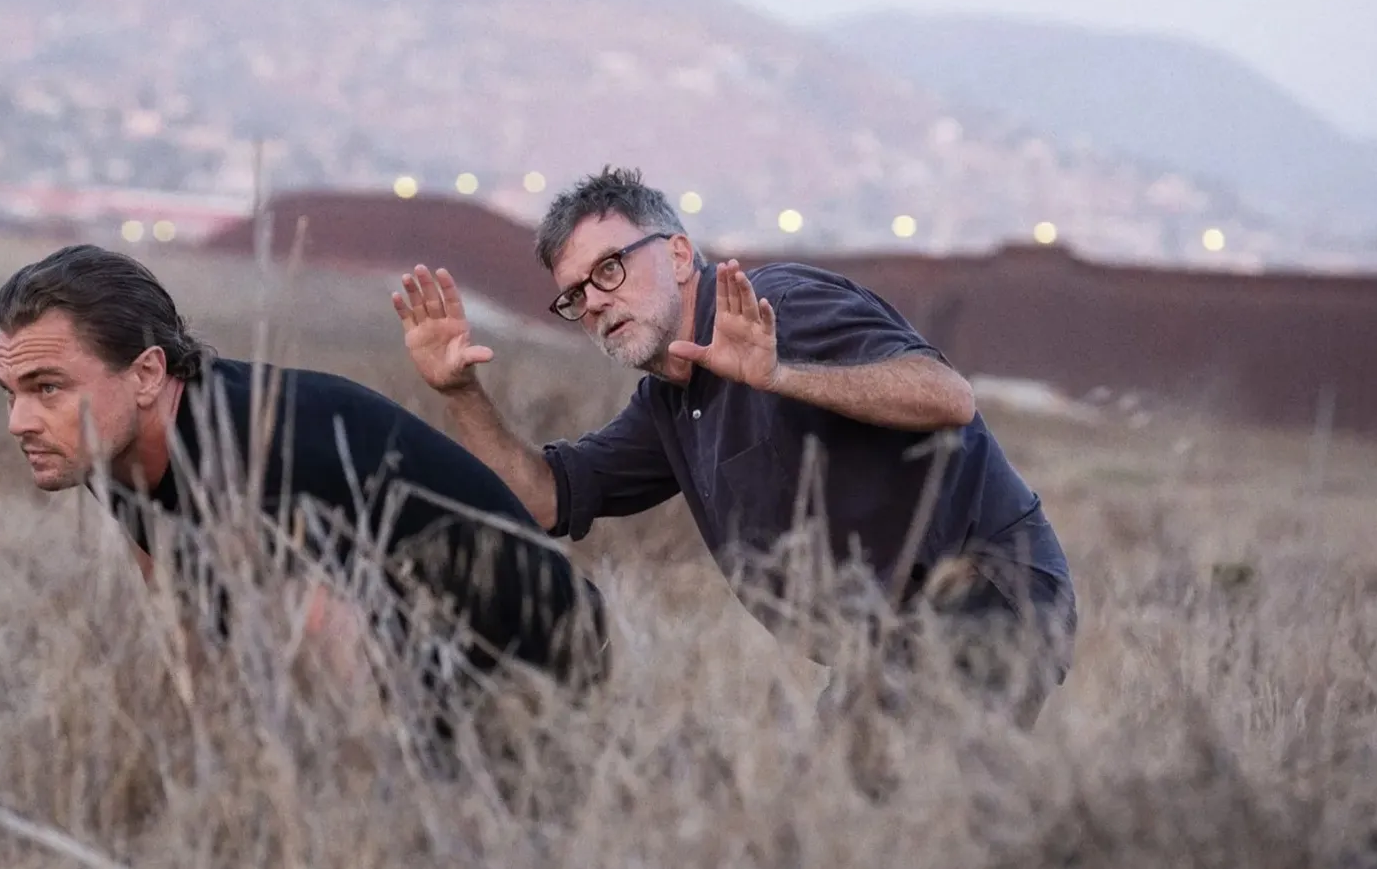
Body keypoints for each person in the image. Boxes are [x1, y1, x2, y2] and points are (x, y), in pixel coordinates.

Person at [391, 166, 1077, 728]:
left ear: (680, 254)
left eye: (609, 270)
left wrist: (779, 375)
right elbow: (545, 499)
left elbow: (948, 396)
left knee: (880, 807)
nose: (595, 301)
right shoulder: (666, 401)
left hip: (990, 590)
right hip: (884, 646)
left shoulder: (775, 305)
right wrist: (460, 393)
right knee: (834, 811)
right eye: (574, 296)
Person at [0, 244, 613, 723]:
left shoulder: (256, 453)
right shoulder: (112, 439)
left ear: (148, 373)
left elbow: (346, 703)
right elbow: (182, 623)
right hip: (416, 667)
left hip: (545, 678)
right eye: (11, 393)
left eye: (47, 388)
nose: (21, 423)